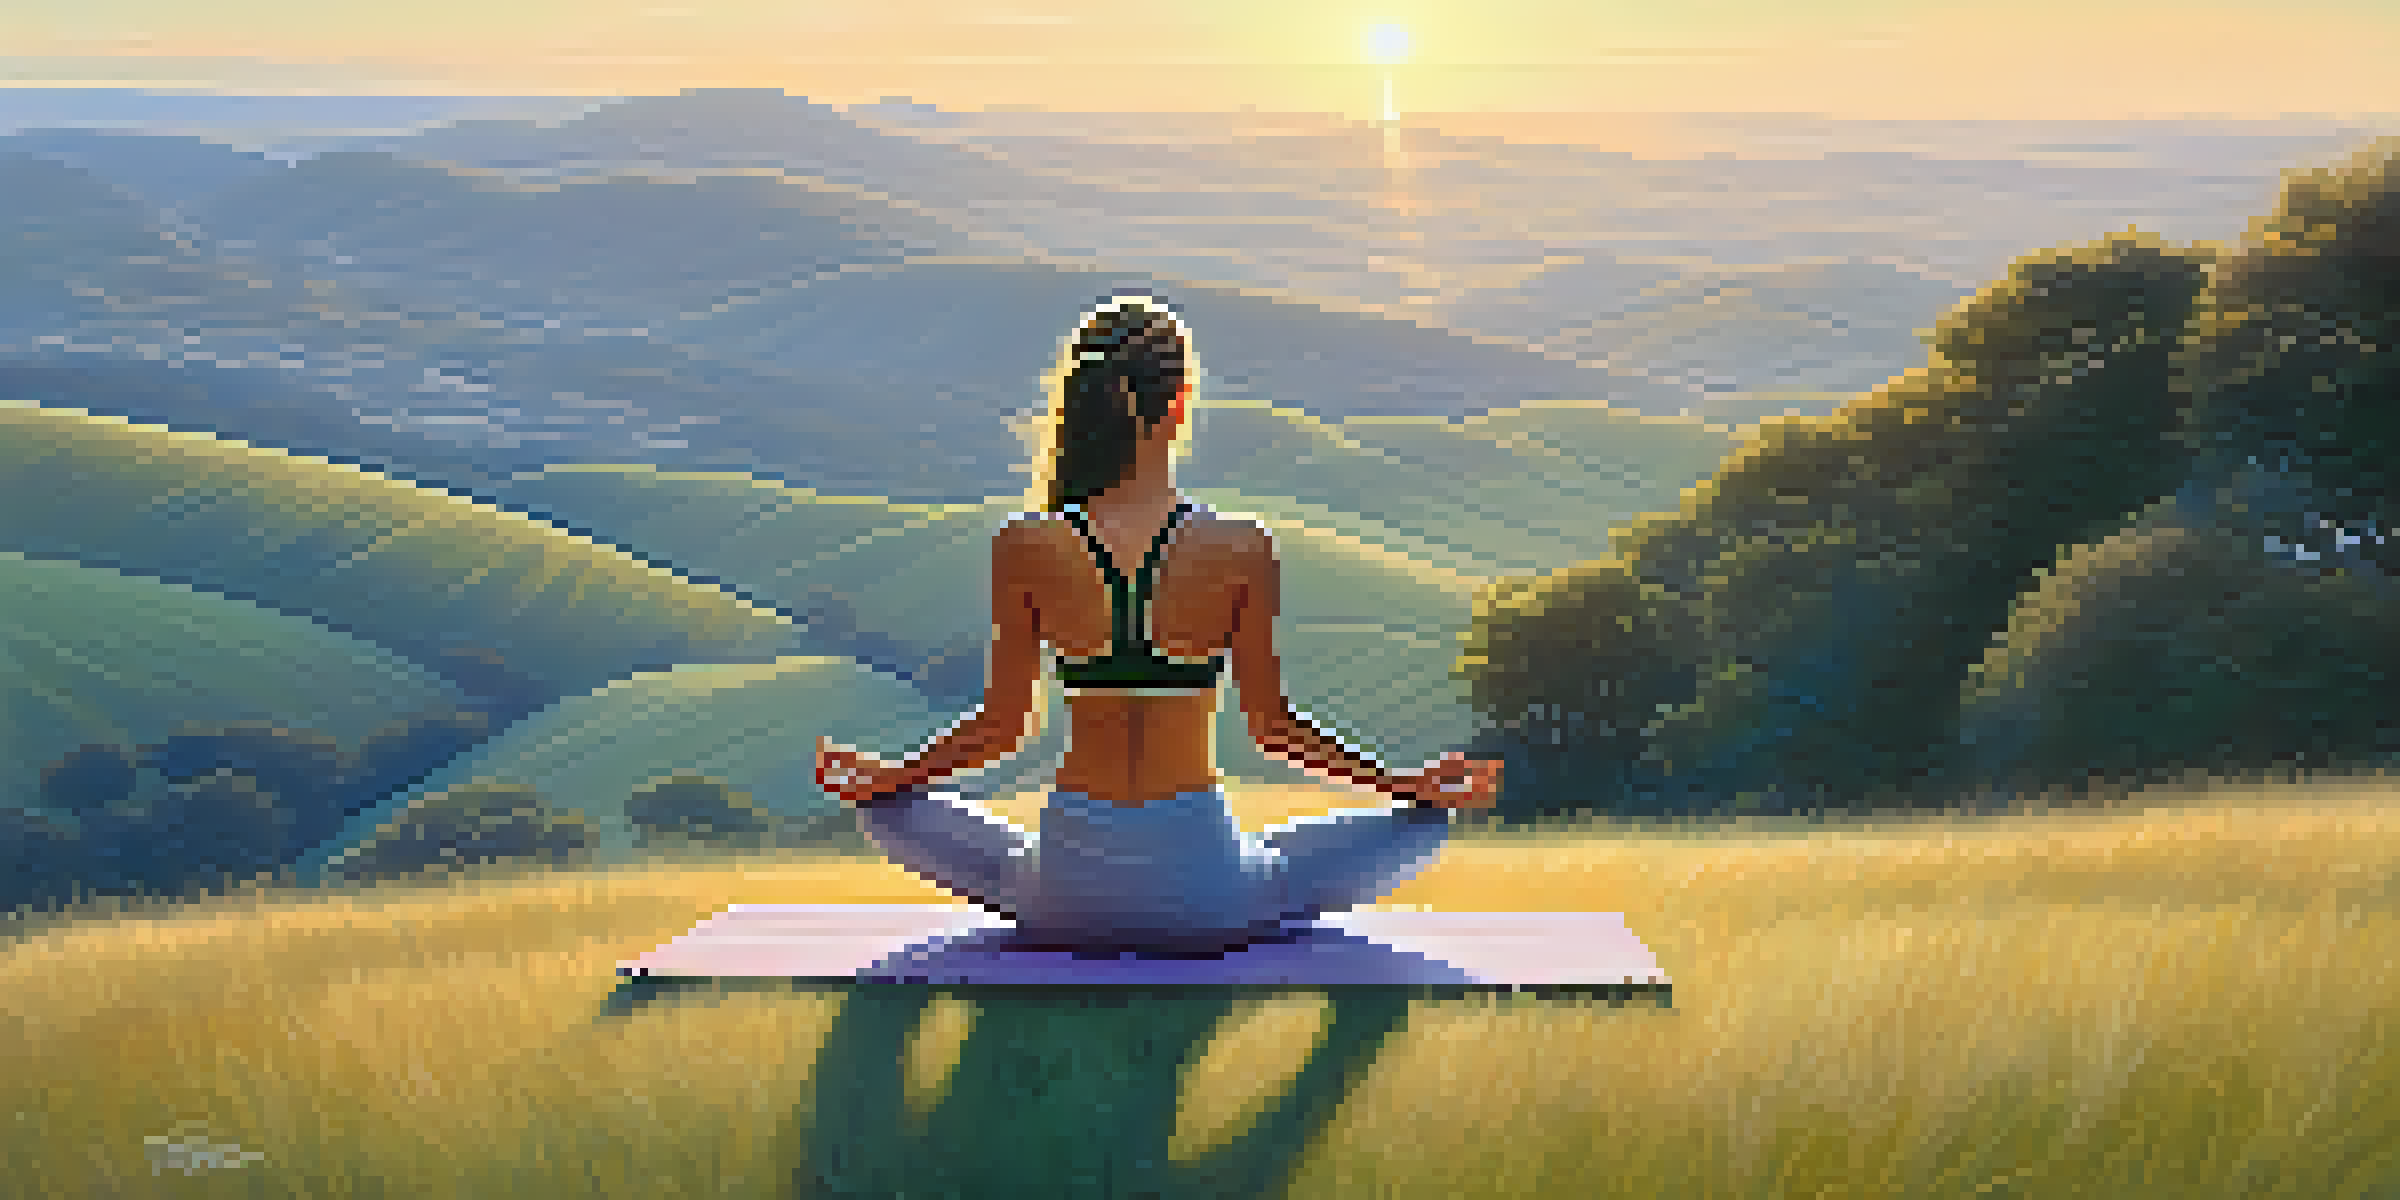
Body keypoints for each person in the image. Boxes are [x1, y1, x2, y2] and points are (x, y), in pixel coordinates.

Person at [814, 289, 1502, 955]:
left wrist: (889, 777)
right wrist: (1405, 785)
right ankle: (1258, 866)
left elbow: (1002, 728)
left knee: (892, 812)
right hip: (1207, 895)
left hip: (1065, 895)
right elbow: (1275, 731)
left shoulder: (1026, 544)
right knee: (1417, 828)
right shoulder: (1240, 547)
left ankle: (1040, 876)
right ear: (1179, 404)